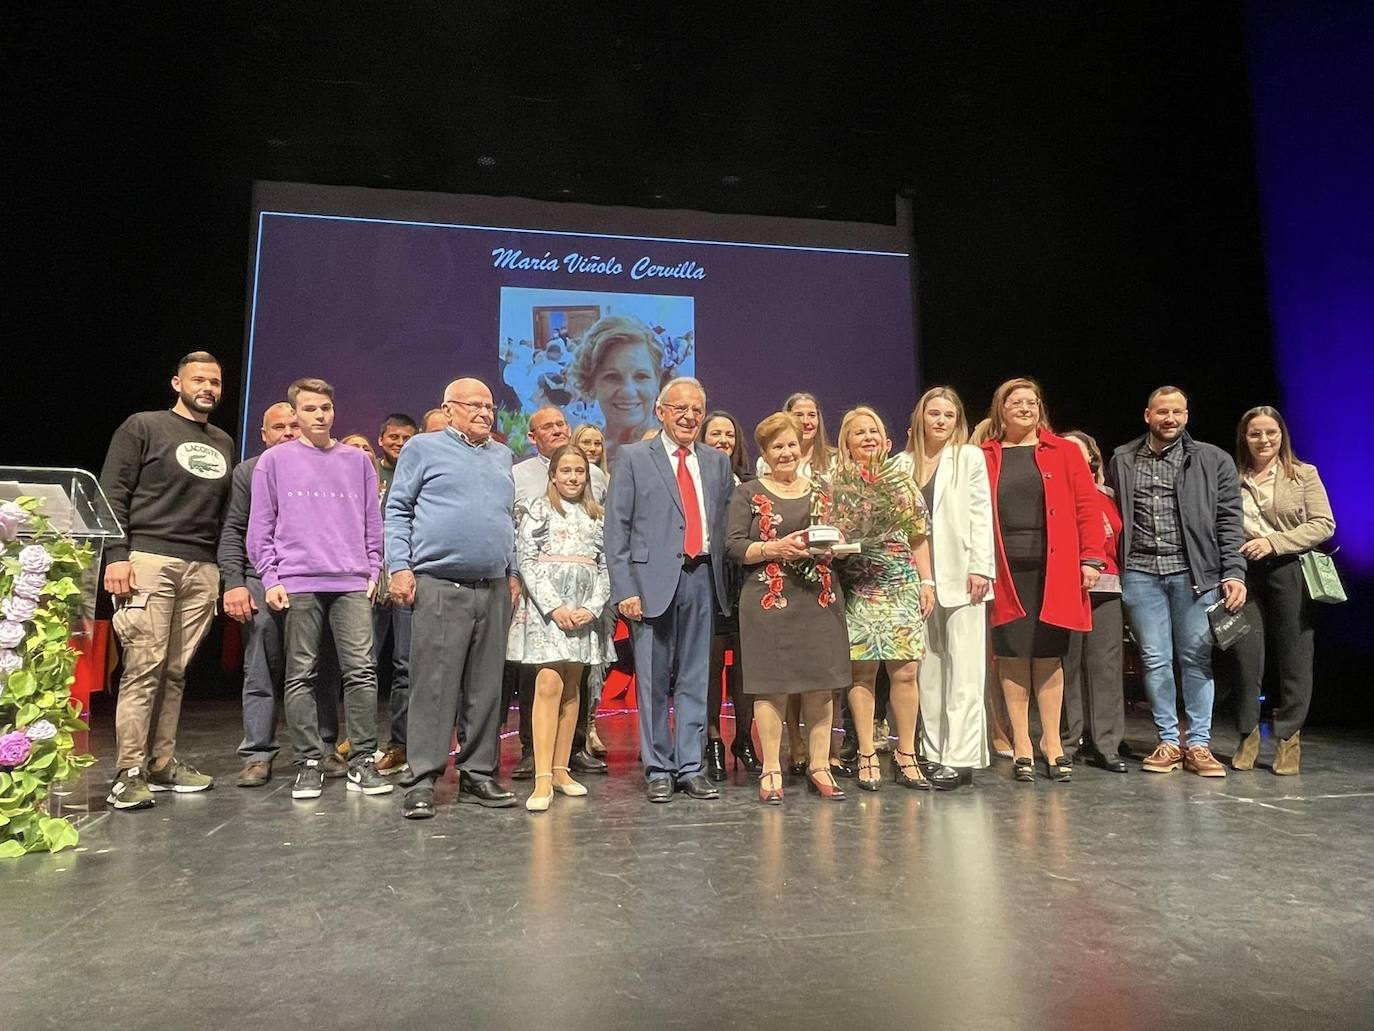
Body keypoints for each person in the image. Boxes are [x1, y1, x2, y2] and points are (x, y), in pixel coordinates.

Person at [99, 351, 234, 810]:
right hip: (149, 558)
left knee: (174, 671)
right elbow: (112, 491)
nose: (208, 388)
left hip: (202, 566)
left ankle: (161, 763)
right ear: (177, 382)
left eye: (215, 381)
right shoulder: (144, 426)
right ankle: (128, 771)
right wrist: (117, 556)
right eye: (199, 379)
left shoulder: (222, 440)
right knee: (144, 666)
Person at [247, 378, 391, 801]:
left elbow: (372, 521)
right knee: (301, 674)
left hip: (350, 581)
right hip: (298, 582)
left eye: (325, 407)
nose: (320, 415)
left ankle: (363, 760)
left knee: (362, 672)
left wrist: (372, 570)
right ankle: (309, 762)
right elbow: (260, 527)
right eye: (310, 409)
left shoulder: (357, 461)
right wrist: (271, 578)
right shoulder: (273, 462)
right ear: (295, 414)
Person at [386, 378, 520, 818]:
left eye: (489, 406)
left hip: (494, 586)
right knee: (434, 686)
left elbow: (507, 519)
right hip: (441, 584)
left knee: (486, 688)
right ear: (448, 409)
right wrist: (400, 567)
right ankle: (422, 778)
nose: (485, 412)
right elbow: (399, 508)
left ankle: (478, 773)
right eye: (475, 405)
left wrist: (513, 571)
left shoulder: (503, 454)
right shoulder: (422, 448)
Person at [605, 377, 734, 803]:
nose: (689, 417)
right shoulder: (633, 457)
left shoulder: (716, 462)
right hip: (651, 584)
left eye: (696, 410)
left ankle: (691, 766)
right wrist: (625, 587)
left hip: (702, 580)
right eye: (679, 408)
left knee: (697, 678)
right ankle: (659, 767)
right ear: (660, 412)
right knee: (655, 680)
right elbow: (616, 527)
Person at [1107, 386, 1246, 776]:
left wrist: (1234, 572)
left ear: (1187, 415)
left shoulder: (1212, 459)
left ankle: (1199, 744)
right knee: (1155, 659)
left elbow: (1230, 522)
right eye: (1163, 412)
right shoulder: (1123, 458)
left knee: (1196, 659)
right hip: (1140, 573)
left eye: (1178, 412)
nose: (1171, 419)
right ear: (1147, 415)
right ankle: (1168, 741)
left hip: (1194, 575)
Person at [981, 378, 1106, 783]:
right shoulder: (984, 455)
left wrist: (1092, 559)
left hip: (1055, 570)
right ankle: (1021, 744)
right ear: (1001, 409)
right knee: (1013, 656)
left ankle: (1051, 742)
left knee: (1049, 656)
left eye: (1031, 401)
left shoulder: (1065, 452)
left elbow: (1088, 508)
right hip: (1005, 572)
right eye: (1015, 402)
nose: (1025, 407)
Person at [727, 412, 849, 804]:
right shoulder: (748, 493)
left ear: (803, 447)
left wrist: (837, 544)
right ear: (764, 451)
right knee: (770, 687)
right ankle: (771, 769)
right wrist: (774, 548)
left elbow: (838, 540)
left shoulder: (822, 490)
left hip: (818, 598)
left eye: (791, 444)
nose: (786, 452)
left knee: (820, 684)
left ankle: (819, 766)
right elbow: (732, 546)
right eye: (777, 446)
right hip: (768, 601)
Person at [220, 402, 344, 787]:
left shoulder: (323, 466)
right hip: (261, 579)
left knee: (320, 667)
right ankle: (258, 754)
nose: (289, 432)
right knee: (261, 668)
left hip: (312, 579)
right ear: (263, 434)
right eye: (279, 427)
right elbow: (234, 529)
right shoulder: (250, 470)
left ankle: (322, 748)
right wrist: (235, 582)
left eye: (295, 425)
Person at [893, 387, 994, 789]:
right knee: (928, 672)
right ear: (919, 418)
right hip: (917, 580)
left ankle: (962, 756)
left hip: (962, 576)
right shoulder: (899, 464)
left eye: (948, 415)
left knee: (965, 672)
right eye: (933, 413)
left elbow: (981, 513)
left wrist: (981, 568)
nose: (940, 421)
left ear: (957, 422)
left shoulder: (967, 457)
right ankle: (934, 752)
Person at [832, 405, 936, 790]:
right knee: (862, 671)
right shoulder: (836, 482)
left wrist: (928, 582)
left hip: (899, 580)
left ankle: (906, 754)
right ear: (846, 441)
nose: (868, 437)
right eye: (859, 432)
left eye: (873, 430)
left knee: (906, 670)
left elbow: (919, 534)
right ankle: (865, 753)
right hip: (858, 583)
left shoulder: (900, 479)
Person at [1227, 405, 1335, 774]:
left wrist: (1276, 541)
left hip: (1289, 569)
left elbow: (1324, 524)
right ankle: (1247, 735)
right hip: (1244, 573)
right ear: (1245, 437)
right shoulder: (1232, 476)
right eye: (1255, 433)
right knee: (1245, 657)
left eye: (1270, 433)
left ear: (1281, 435)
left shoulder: (1303, 474)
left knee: (1294, 657)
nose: (1263, 440)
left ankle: (1288, 738)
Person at [508, 445, 617, 811]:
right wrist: (554, 607)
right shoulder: (537, 510)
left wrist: (591, 606)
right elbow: (527, 560)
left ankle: (560, 768)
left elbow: (606, 566)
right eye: (565, 471)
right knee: (548, 682)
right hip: (547, 611)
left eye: (579, 471)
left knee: (572, 684)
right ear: (552, 475)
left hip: (584, 611)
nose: (573, 477)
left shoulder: (596, 516)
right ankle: (541, 777)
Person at [1060, 430, 1129, 772]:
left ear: (1091, 457)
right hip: (1066, 587)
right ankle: (1067, 742)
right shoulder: (1054, 495)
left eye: (1079, 451)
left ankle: (1106, 744)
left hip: (1108, 587)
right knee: (1067, 667)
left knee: (1105, 667)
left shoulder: (1110, 495)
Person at [699, 411, 759, 779]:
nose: (722, 440)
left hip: (747, 579)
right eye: (715, 434)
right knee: (711, 664)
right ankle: (712, 740)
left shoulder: (752, 483)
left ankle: (744, 740)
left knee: (747, 667)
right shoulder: (694, 480)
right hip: (709, 578)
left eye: (729, 435)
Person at [371, 413, 418, 777]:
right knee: (363, 667)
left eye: (406, 437)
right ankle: (359, 742)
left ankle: (399, 742)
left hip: (406, 586)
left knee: (404, 667)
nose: (399, 443)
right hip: (370, 584)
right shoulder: (368, 474)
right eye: (394, 437)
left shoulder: (418, 475)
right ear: (381, 438)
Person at [569, 315, 666, 461]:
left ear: (657, 382)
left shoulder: (675, 454)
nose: (628, 391)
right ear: (591, 383)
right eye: (612, 377)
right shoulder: (578, 455)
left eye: (641, 376)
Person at [755, 391, 834, 478]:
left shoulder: (834, 461)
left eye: (812, 415)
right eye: (799, 415)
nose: (805, 421)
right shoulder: (766, 463)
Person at [375, 413, 418, 498]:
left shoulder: (420, 472)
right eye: (394, 437)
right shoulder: (371, 470)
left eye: (407, 439)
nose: (400, 443)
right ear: (380, 440)